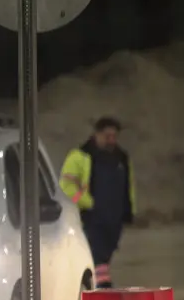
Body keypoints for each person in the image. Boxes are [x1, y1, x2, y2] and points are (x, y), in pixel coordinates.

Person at [58, 117, 135, 289]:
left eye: (114, 136)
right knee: (97, 253)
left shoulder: (121, 158)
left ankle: (98, 282)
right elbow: (66, 186)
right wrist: (87, 203)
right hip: (90, 216)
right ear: (96, 135)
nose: (111, 141)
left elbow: (128, 186)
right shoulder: (79, 156)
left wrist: (128, 209)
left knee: (105, 253)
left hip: (114, 218)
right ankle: (102, 286)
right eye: (107, 136)